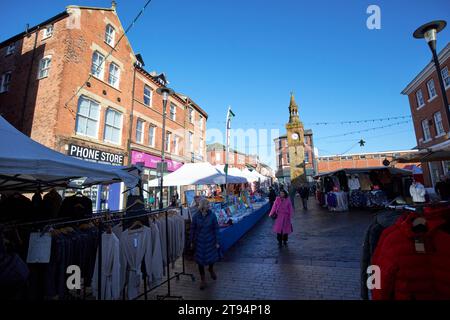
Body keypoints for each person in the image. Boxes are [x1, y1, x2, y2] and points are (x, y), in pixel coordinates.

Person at [190, 199, 220, 290]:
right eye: (208, 204)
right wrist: (191, 241)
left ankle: (211, 269)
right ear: (203, 206)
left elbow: (216, 228)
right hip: (199, 242)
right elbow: (192, 229)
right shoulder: (196, 216)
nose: (209, 206)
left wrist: (217, 241)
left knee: (211, 259)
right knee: (200, 261)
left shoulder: (212, 215)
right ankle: (203, 280)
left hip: (210, 241)